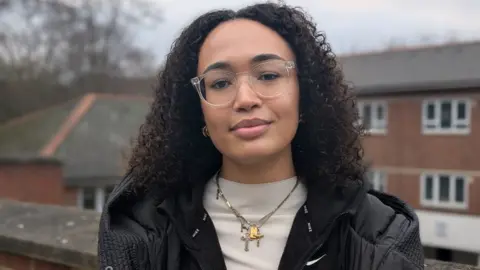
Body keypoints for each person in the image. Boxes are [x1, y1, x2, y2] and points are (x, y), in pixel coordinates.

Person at [98, 3, 424, 270]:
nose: (245, 99)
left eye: (268, 75)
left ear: (304, 95)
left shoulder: (380, 236)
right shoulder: (141, 231)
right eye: (221, 83)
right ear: (199, 112)